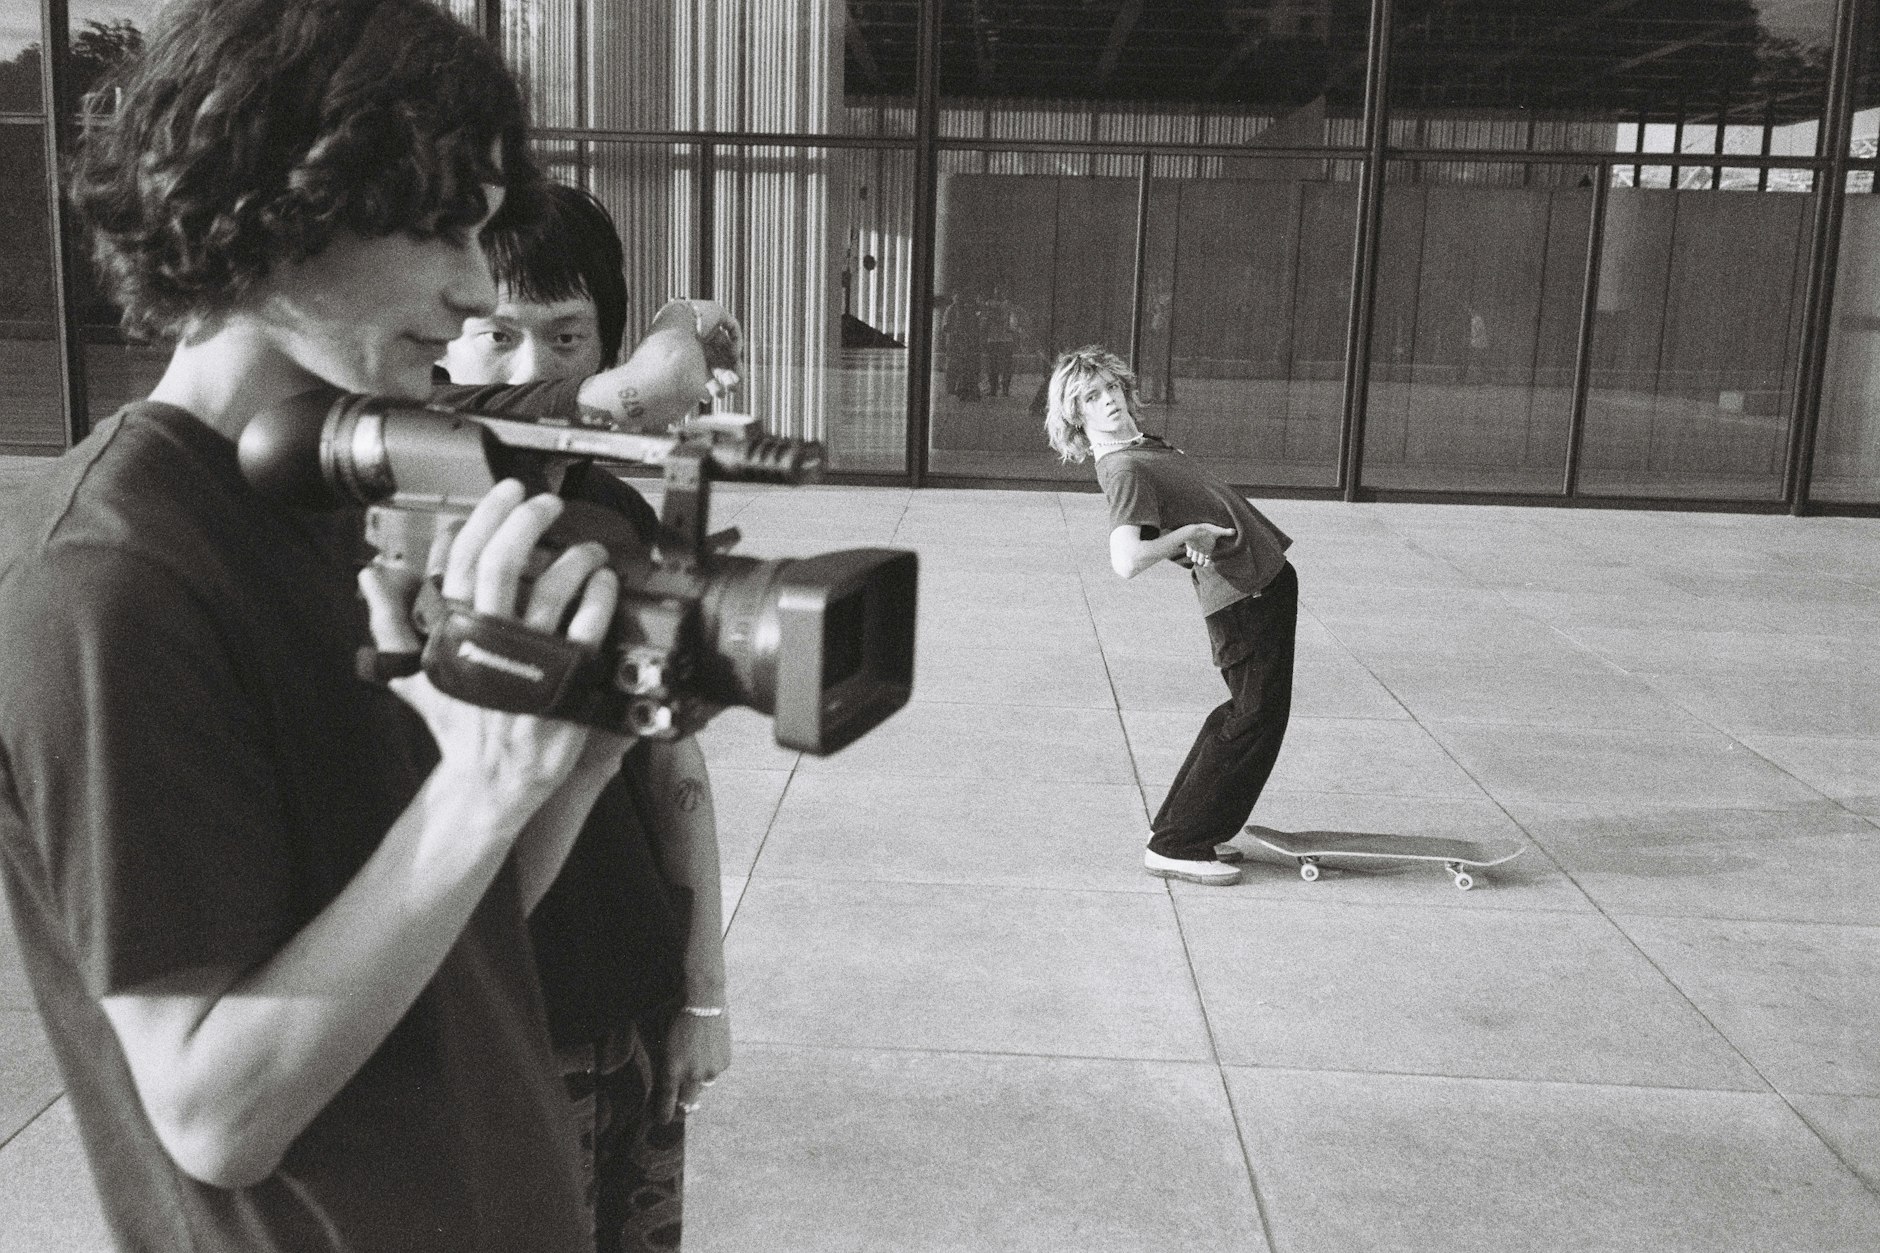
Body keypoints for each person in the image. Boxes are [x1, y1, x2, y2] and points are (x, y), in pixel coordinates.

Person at [0, 3, 703, 1248]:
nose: (478, 284)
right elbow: (214, 1111)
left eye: (481, 228)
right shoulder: (112, 578)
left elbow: (448, 932)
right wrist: (477, 793)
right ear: (269, 208)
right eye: (437, 225)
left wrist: (571, 766)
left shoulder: (348, 494)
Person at [439, 181, 731, 1253]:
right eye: (497, 335)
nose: (533, 368)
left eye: (567, 334)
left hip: (629, 999)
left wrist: (698, 993)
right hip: (496, 1022)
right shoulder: (413, 506)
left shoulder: (621, 511)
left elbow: (672, 764)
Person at [1044, 346, 1297, 887]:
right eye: (1091, 396)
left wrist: (1185, 533)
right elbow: (1126, 560)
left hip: (1258, 583)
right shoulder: (1123, 467)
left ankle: (1196, 829)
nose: (1108, 400)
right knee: (1250, 719)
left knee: (1247, 714)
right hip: (1243, 596)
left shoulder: (1141, 445)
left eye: (1111, 388)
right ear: (1076, 415)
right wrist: (1189, 537)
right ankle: (1177, 844)